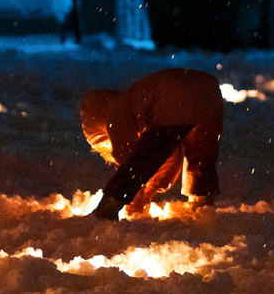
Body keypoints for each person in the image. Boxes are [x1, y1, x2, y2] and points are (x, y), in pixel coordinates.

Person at [80, 67, 223, 220]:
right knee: (201, 153)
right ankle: (201, 201)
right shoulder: (135, 99)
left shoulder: (117, 108)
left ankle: (109, 205)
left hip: (174, 95)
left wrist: (138, 193)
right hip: (210, 91)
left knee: (145, 155)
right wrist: (152, 188)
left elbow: (129, 156)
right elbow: (170, 157)